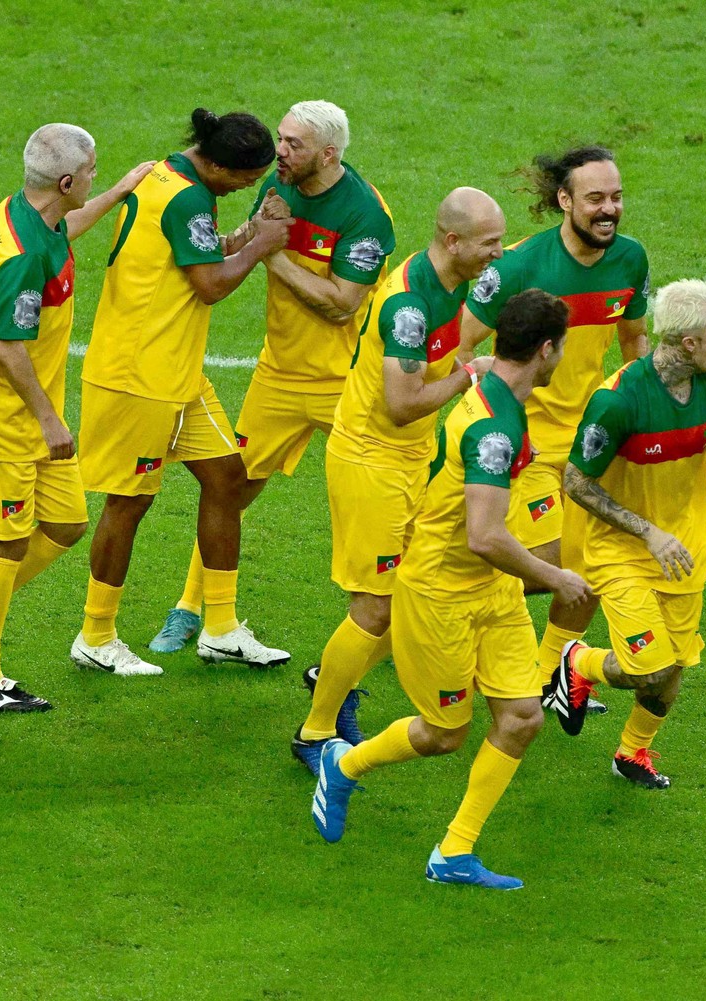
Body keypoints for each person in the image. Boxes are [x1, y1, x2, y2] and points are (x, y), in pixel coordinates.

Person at [310, 289, 584, 890]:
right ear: (546, 351)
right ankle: (343, 763)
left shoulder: (496, 391)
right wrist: (556, 577)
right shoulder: (494, 429)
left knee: (520, 718)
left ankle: (453, 853)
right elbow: (485, 535)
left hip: (490, 592)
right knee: (443, 735)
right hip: (440, 592)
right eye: (562, 347)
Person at [151, 100, 396, 653]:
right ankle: (193, 610)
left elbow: (340, 303)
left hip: (345, 383)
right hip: (278, 376)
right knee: (228, 488)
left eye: (293, 145)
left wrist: (270, 255)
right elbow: (250, 233)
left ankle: (398, 616)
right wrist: (221, 248)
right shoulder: (278, 186)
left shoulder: (364, 214)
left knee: (385, 499)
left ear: (328, 154)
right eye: (281, 140)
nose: (278, 153)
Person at [0, 123, 155, 711]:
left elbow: (67, 227)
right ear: (64, 180)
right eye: (92, 173)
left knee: (65, 525)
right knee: (4, 544)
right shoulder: (21, 255)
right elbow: (9, 348)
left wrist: (118, 194)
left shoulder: (27, 216)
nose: (96, 177)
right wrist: (50, 421)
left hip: (25, 416)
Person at [543, 279, 706, 789]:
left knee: (674, 671)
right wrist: (647, 532)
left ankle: (631, 753)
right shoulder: (618, 401)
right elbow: (575, 482)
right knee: (649, 668)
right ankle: (578, 662)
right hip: (618, 551)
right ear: (689, 343)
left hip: (684, 554)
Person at [291, 187, 506, 773]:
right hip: (372, 462)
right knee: (377, 607)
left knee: (408, 589)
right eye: (490, 244)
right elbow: (402, 404)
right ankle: (314, 733)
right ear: (453, 240)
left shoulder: (454, 281)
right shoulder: (407, 305)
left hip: (413, 461)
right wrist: (470, 378)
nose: (498, 253)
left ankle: (337, 675)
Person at [71, 109, 292, 676]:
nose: (249, 184)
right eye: (245, 177)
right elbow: (212, 283)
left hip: (178, 373)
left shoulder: (171, 176)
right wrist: (263, 244)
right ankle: (95, 636)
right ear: (217, 164)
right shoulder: (186, 197)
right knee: (129, 502)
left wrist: (242, 235)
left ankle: (219, 627)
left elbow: (193, 251)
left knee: (227, 479)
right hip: (139, 376)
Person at [460, 145, 649, 712]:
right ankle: (443, 609)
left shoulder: (630, 260)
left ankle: (548, 675)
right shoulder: (519, 267)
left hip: (589, 449)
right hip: (527, 449)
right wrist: (501, 417)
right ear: (565, 201)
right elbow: (461, 345)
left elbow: (634, 340)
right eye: (595, 198)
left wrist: (634, 404)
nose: (608, 209)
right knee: (563, 560)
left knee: (592, 558)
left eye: (615, 197)